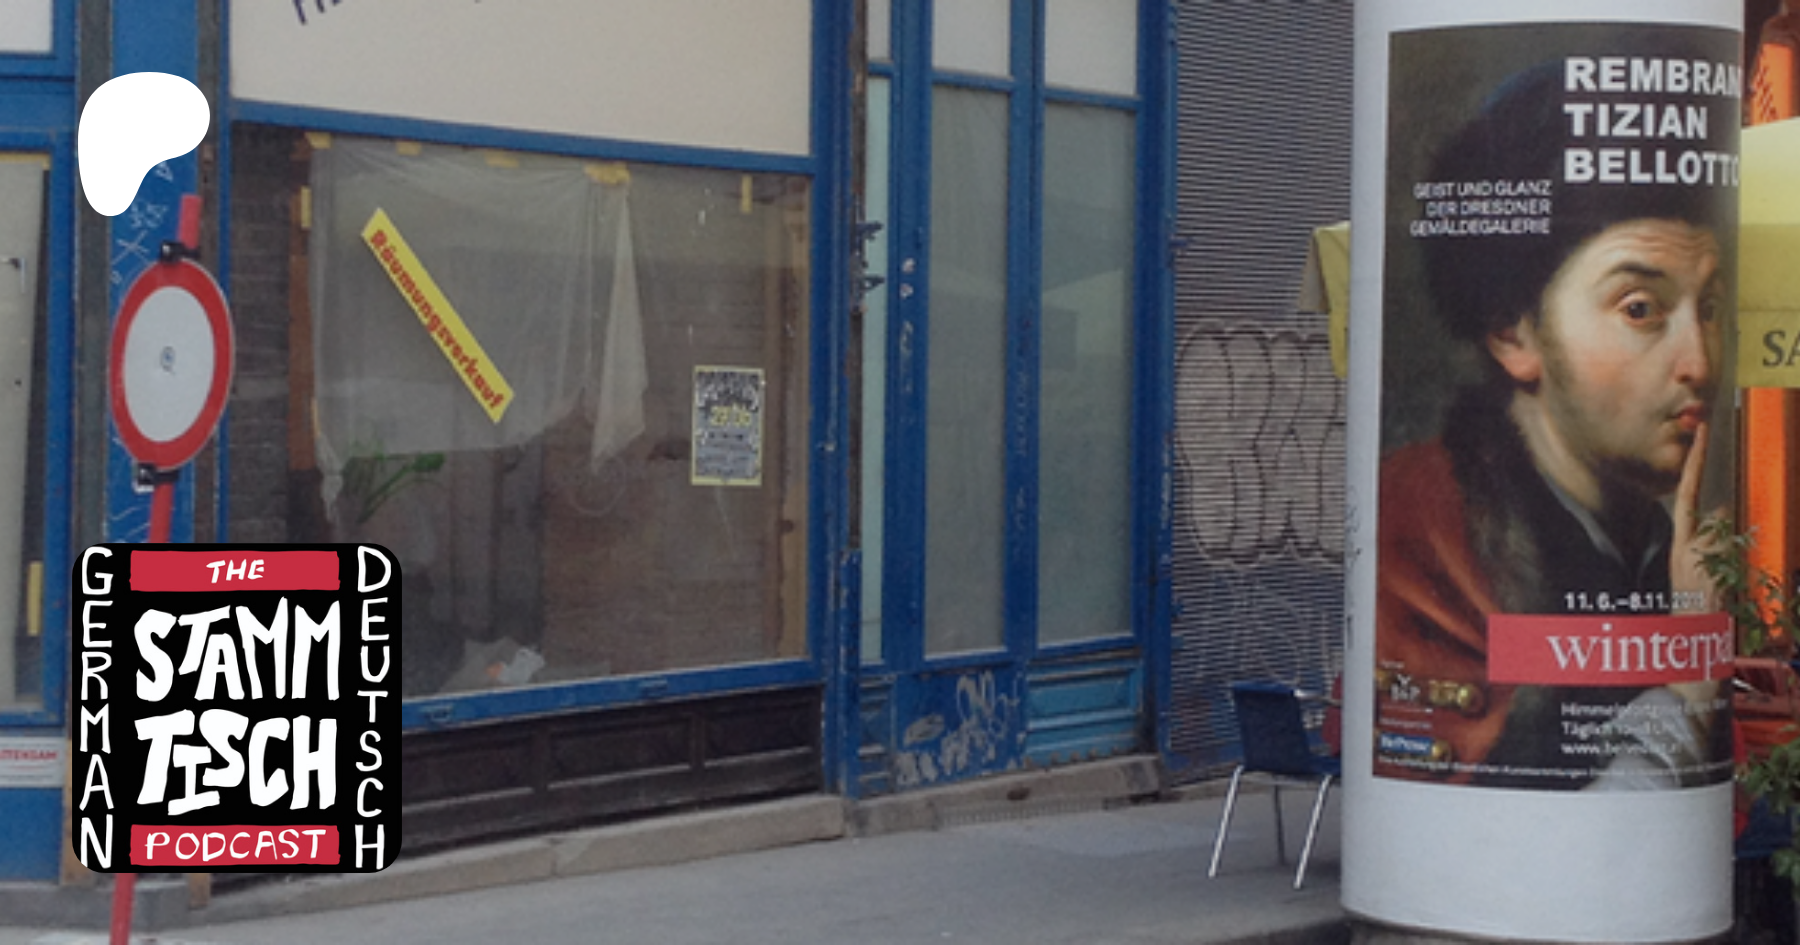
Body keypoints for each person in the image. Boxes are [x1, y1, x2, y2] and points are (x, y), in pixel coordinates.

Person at [1375, 60, 1733, 789]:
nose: (1698, 362)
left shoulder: (1664, 535)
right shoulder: (1423, 527)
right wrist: (1689, 685)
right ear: (1514, 332)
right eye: (1640, 309)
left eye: (1711, 308)